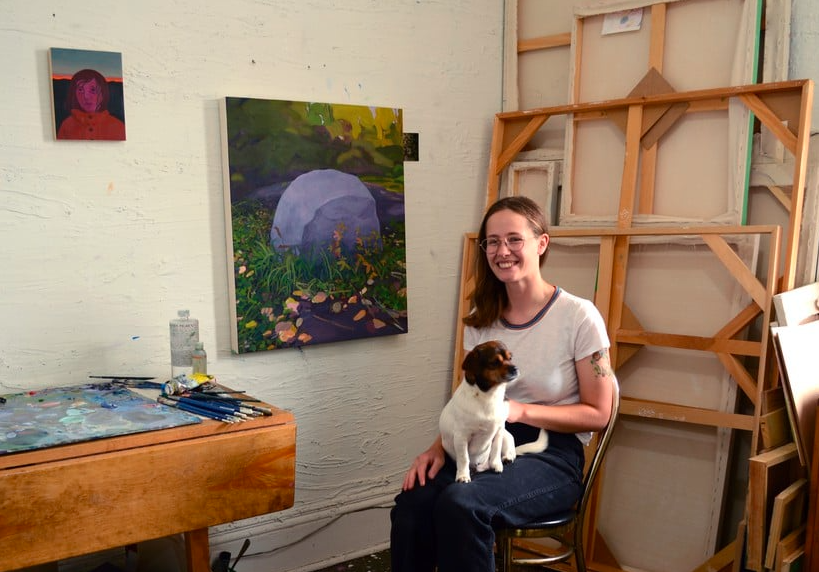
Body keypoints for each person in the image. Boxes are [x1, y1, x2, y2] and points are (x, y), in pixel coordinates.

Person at [390, 196, 616, 572]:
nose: (502, 251)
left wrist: (520, 411)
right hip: (478, 439)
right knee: (413, 505)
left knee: (462, 505)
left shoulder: (578, 316)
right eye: (492, 242)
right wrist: (437, 448)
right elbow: (465, 403)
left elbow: (599, 413)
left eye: (514, 239)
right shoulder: (481, 322)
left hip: (551, 455)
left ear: (541, 243)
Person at [57, 68, 125, 140]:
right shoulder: (67, 125)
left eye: (93, 90)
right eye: (80, 90)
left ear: (103, 93)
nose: (86, 96)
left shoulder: (118, 126)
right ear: (74, 94)